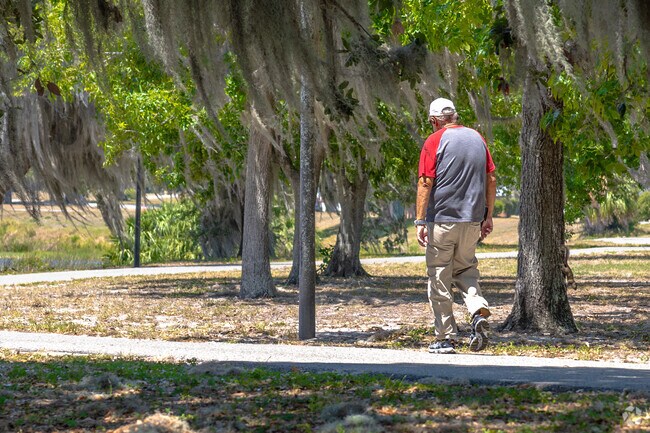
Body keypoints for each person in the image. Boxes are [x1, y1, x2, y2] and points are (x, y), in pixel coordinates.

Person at [415, 97, 497, 354]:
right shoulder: (477, 138)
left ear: (434, 120)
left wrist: (420, 221)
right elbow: (491, 178)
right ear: (455, 115)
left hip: (442, 220)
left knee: (440, 277)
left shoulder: (434, 140)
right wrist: (488, 215)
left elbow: (425, 182)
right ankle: (476, 310)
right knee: (466, 271)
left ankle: (445, 338)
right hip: (472, 220)